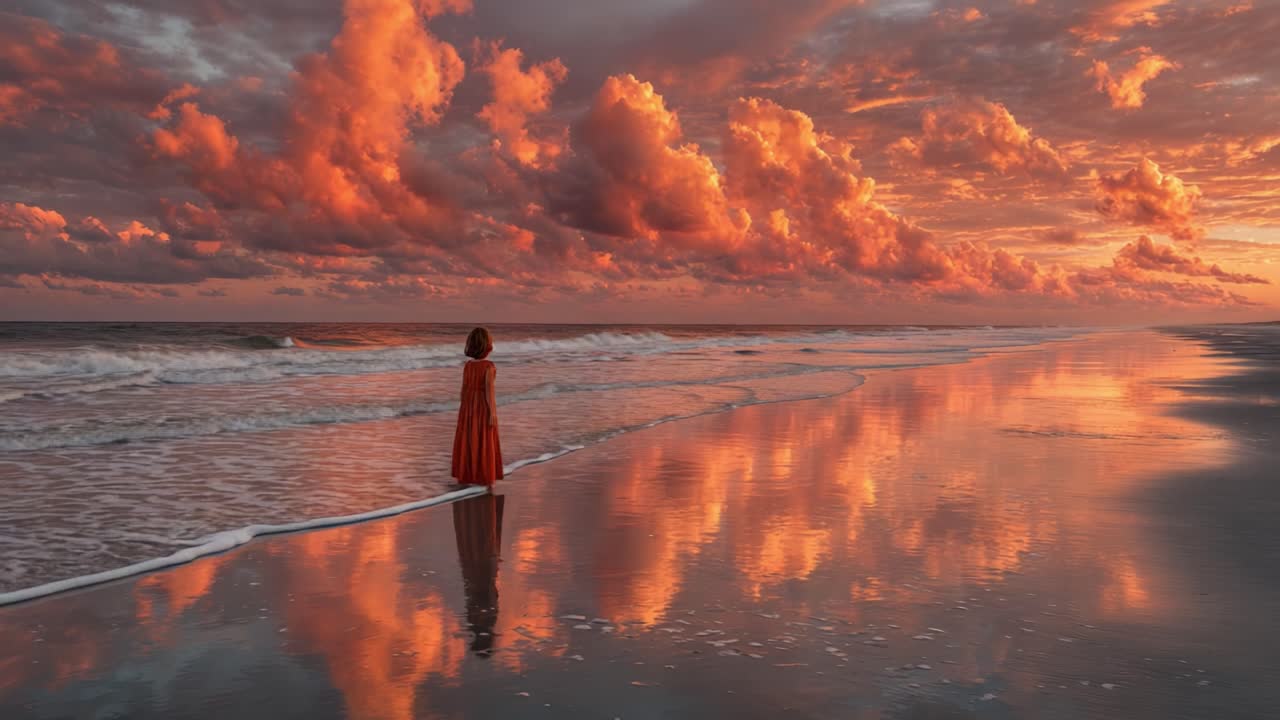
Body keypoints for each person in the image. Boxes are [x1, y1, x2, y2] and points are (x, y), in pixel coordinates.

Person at [452, 492, 505, 656]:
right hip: (478, 571)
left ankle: (475, 499)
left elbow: (488, 593)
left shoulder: (482, 617)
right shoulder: (481, 618)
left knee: (481, 543)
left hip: (480, 570)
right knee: (480, 543)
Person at [452, 327, 504, 487]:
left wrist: (464, 409)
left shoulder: (468, 365)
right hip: (482, 408)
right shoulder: (489, 366)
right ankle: (484, 477)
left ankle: (467, 475)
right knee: (484, 439)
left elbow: (463, 389)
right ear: (486, 346)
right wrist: (492, 413)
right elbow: (489, 392)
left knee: (469, 440)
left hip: (468, 408)